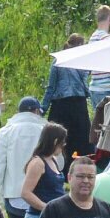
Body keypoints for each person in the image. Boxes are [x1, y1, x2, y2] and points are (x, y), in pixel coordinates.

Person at [41, 34, 90, 180]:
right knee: (80, 138)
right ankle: (78, 168)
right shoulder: (81, 60)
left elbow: (51, 87)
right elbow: (84, 81)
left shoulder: (58, 61)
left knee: (60, 138)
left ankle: (58, 167)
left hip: (61, 104)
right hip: (78, 103)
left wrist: (43, 107)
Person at [87, 5, 110, 109]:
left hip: (94, 87)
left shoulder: (92, 38)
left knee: (98, 123)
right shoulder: (108, 39)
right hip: (107, 89)